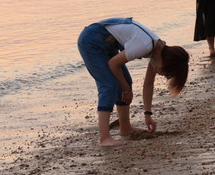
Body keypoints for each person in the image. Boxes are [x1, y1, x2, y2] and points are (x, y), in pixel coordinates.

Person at [78, 17, 189, 147]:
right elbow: (113, 64)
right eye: (166, 72)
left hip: (107, 42)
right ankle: (104, 138)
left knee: (126, 81)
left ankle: (125, 129)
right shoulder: (145, 45)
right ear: (167, 62)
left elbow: (148, 83)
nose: (162, 74)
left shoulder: (157, 49)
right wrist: (125, 90)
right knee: (109, 85)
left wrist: (148, 115)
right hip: (91, 40)